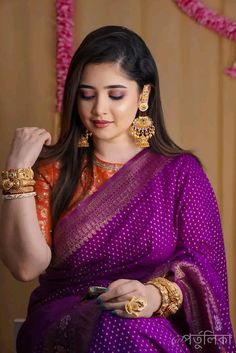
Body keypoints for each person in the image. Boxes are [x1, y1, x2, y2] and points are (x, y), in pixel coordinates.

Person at [0, 25, 235, 353]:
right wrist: (17, 172)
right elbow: (25, 267)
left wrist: (152, 296)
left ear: (143, 96)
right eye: (87, 94)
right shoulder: (54, 170)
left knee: (130, 327)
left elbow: (203, 267)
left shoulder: (181, 173)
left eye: (115, 94)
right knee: (118, 327)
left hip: (150, 319)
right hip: (63, 319)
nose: (98, 109)